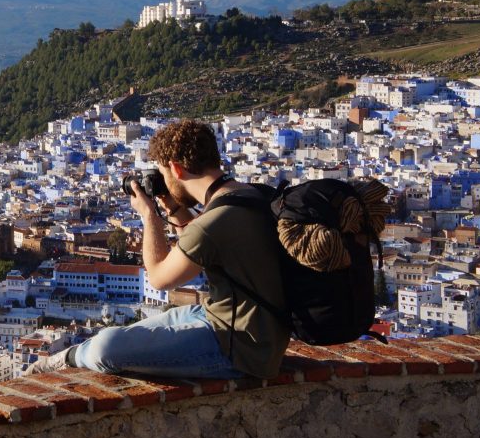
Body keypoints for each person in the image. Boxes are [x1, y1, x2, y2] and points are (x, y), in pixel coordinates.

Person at [28, 119, 290, 379]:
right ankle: (73, 354)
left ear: (175, 169)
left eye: (163, 174)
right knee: (150, 326)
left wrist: (149, 215)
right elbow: (197, 245)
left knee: (105, 347)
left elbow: (158, 278)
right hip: (237, 321)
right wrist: (171, 205)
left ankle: (67, 359)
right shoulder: (256, 194)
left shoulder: (214, 222)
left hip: (237, 349)